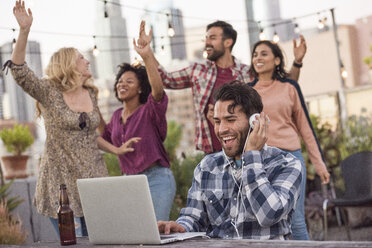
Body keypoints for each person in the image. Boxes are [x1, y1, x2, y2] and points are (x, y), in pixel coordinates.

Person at [5, 0, 138, 236]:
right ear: (70, 65)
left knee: (100, 239)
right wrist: (24, 31)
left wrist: (115, 150)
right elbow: (19, 71)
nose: (87, 60)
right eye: (81, 58)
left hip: (93, 179)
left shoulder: (92, 93)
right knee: (71, 242)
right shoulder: (49, 92)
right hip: (61, 182)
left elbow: (89, 136)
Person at [157, 81, 303, 240]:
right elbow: (194, 218)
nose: (221, 129)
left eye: (230, 120)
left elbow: (268, 214)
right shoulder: (207, 167)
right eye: (218, 121)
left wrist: (252, 154)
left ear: (255, 121)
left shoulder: (286, 164)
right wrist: (180, 227)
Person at [138, 20, 307, 153]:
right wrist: (148, 53)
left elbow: (283, 86)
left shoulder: (246, 73)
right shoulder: (198, 70)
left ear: (228, 42)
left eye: (212, 38)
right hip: (211, 150)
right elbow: (166, 79)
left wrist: (297, 62)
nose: (207, 42)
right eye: (206, 38)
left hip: (243, 149)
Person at [247, 40, 330, 240]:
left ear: (276, 60)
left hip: (290, 159)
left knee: (295, 219)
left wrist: (319, 165)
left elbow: (305, 127)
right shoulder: (246, 91)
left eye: (264, 54)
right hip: (261, 159)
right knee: (263, 221)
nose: (258, 57)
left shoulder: (290, 87)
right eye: (255, 54)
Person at [101, 21, 176, 221]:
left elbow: (158, 91)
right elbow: (104, 137)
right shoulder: (117, 116)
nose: (122, 84)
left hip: (157, 179)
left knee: (156, 233)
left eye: (129, 81)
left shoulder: (150, 110)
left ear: (140, 88)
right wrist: (89, 99)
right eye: (120, 81)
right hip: (129, 182)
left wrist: (146, 56)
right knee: (134, 233)